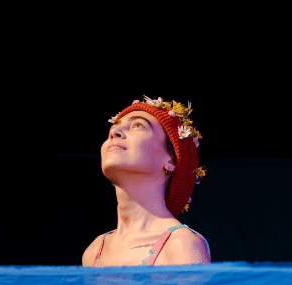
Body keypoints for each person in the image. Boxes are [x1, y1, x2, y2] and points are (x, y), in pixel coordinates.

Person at [82, 96, 210, 266]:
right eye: (113, 128)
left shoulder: (181, 243)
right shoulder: (95, 251)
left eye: (138, 126)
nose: (114, 133)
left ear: (172, 160)